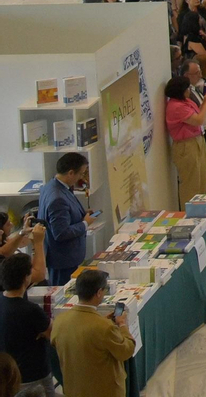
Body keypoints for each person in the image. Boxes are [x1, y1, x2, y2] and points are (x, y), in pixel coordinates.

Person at [50, 270, 136, 397]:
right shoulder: (105, 327)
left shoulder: (59, 321)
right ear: (99, 293)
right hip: (104, 391)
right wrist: (122, 325)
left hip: (74, 389)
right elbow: (126, 351)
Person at [1, 243, 51, 397]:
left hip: (9, 373)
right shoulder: (30, 309)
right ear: (25, 278)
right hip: (33, 374)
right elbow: (51, 333)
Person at [39, 154, 92, 287]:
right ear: (70, 173)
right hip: (63, 260)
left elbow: (64, 214)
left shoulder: (53, 186)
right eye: (81, 173)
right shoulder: (57, 198)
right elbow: (61, 233)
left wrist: (80, 214)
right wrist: (85, 223)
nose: (82, 177)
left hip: (65, 258)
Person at [164, 76, 206, 199]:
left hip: (198, 140)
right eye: (187, 88)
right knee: (191, 185)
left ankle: (202, 212)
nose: (189, 90)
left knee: (201, 180)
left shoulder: (186, 101)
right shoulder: (176, 107)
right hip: (186, 146)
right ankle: (190, 215)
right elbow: (199, 120)